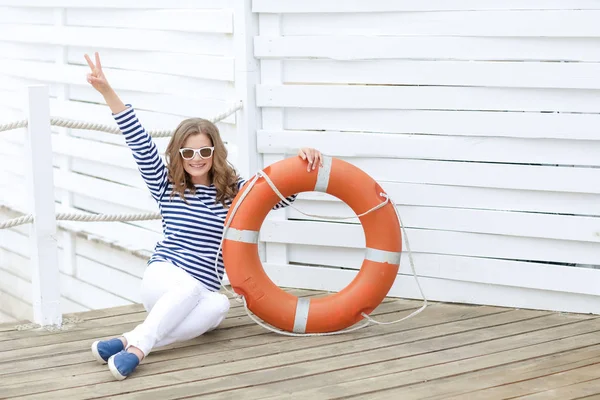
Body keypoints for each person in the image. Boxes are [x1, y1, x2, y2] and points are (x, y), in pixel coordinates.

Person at [84, 52, 323, 380]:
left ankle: (127, 340)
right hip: (163, 279)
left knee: (220, 305)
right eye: (188, 152)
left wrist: (302, 162)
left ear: (215, 153)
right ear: (179, 155)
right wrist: (107, 91)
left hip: (199, 294)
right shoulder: (166, 183)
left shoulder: (232, 191)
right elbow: (138, 141)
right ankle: (137, 352)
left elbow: (278, 197)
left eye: (205, 152)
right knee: (191, 289)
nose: (197, 159)